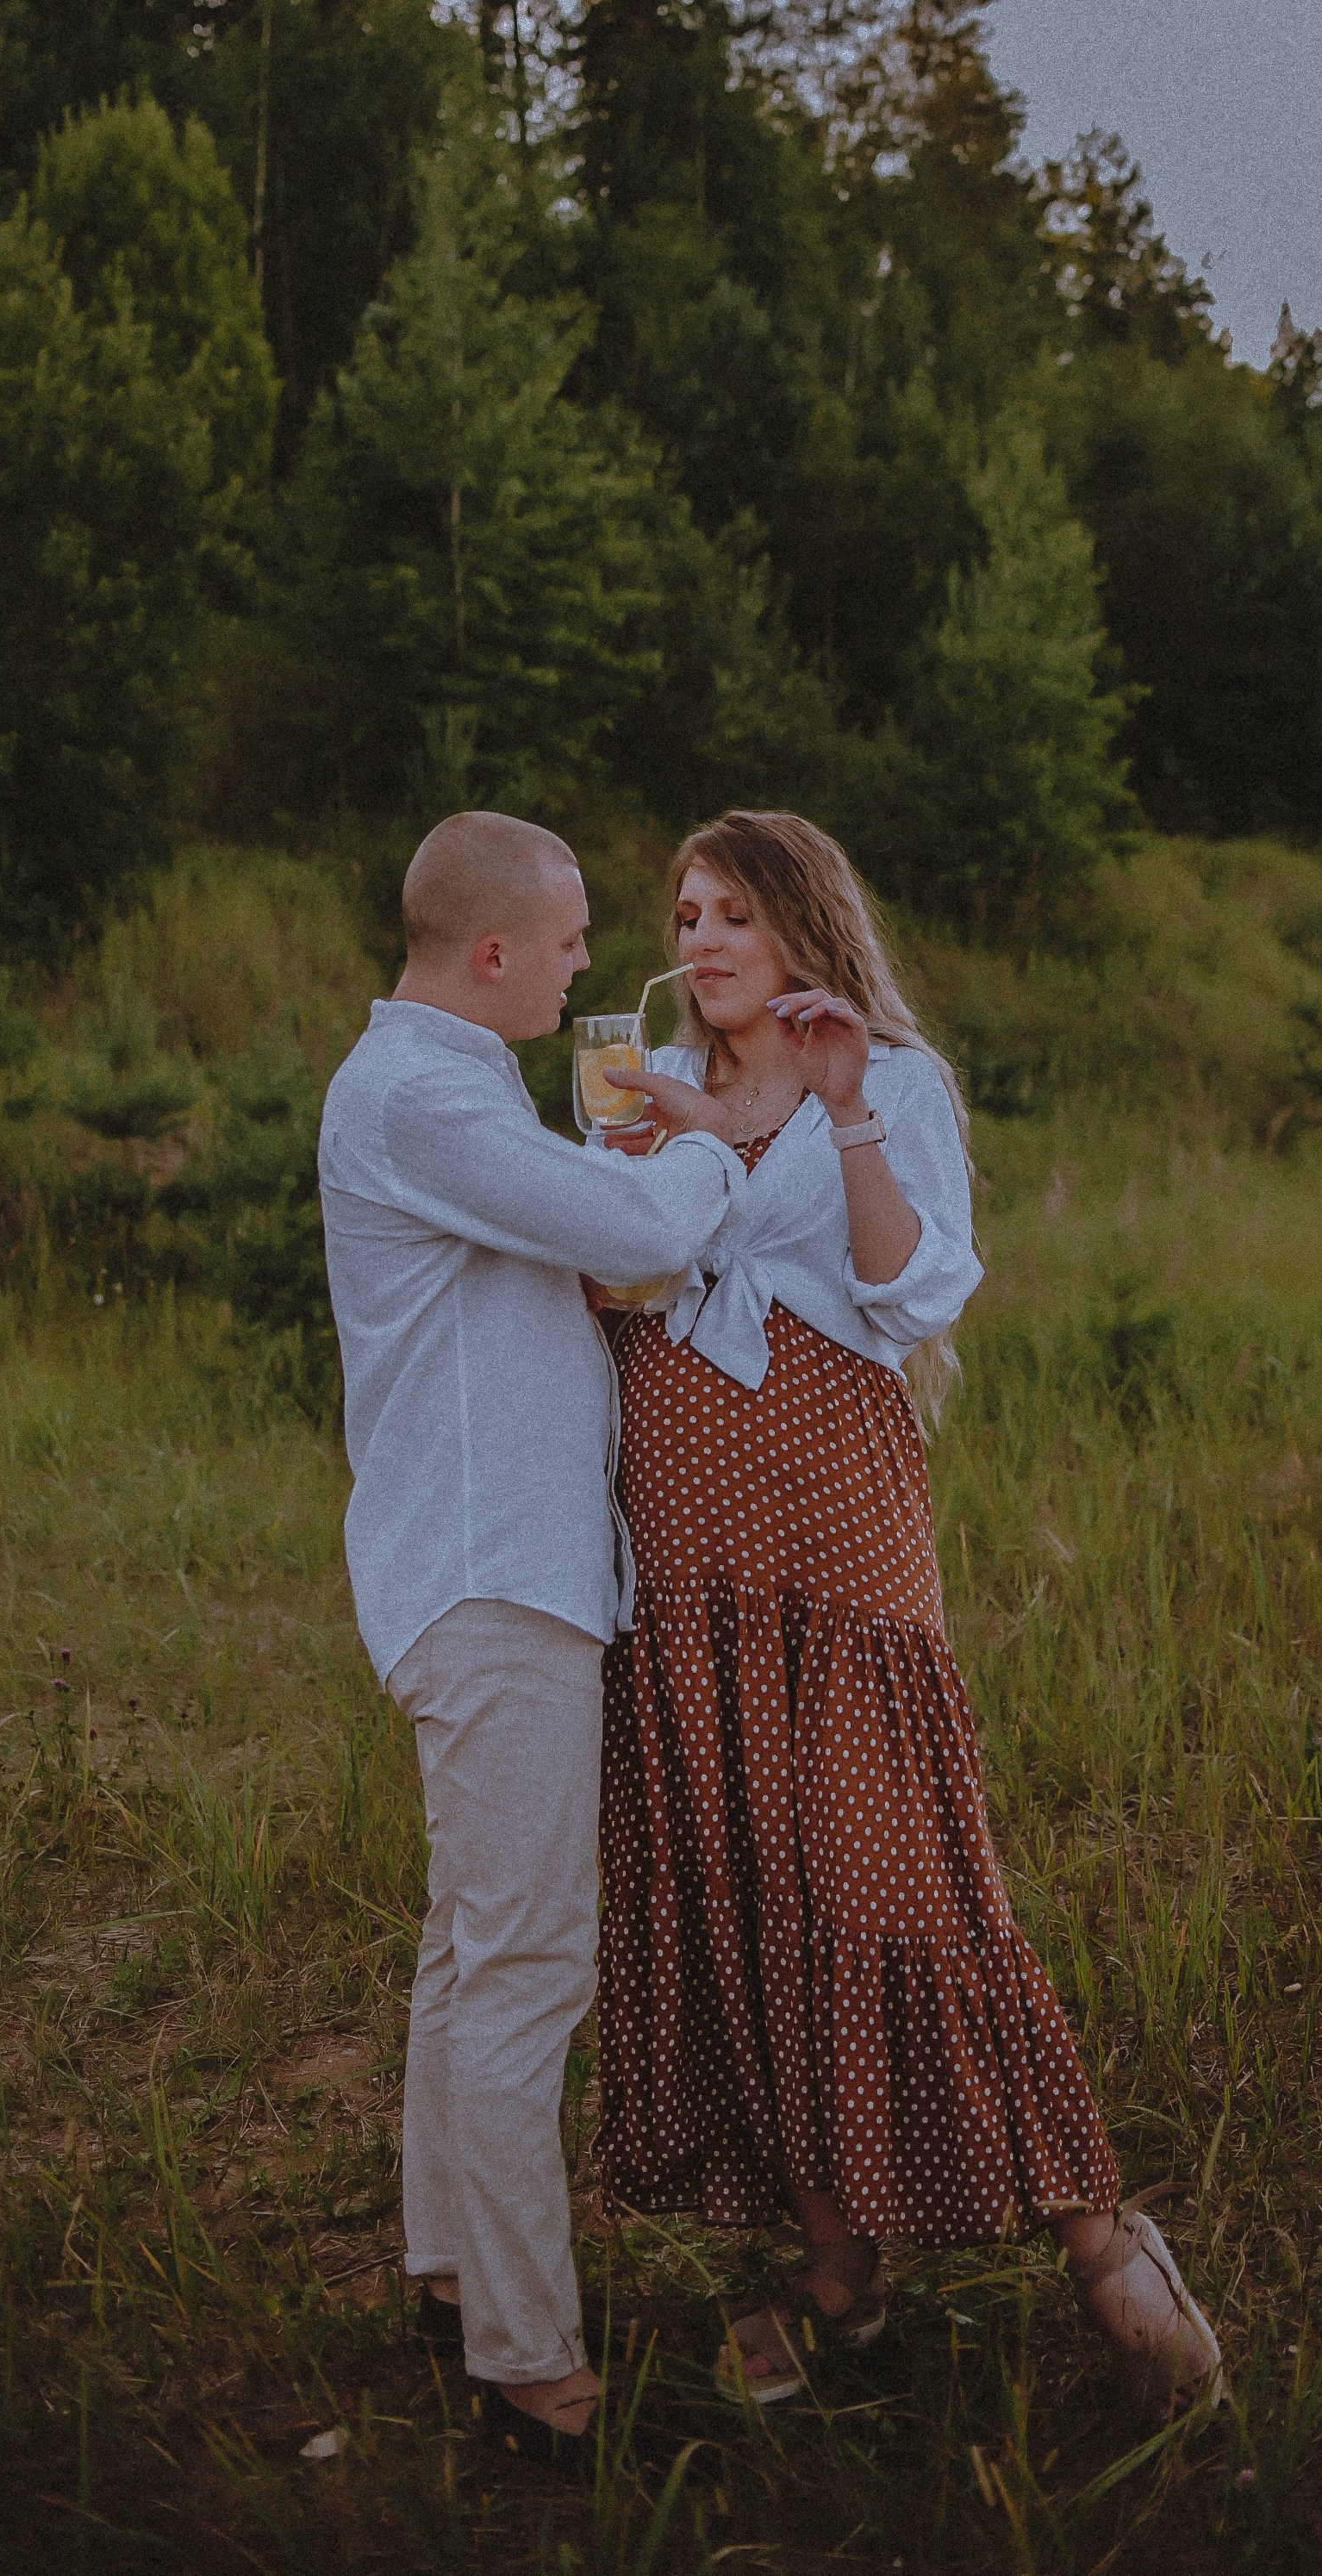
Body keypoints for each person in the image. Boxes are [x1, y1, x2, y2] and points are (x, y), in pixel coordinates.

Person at [592, 810, 1222, 2411]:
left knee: (901, 1879)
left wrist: (846, 1108)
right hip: (684, 1541)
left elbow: (913, 1287)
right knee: (749, 1883)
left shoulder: (889, 1079)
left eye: (735, 910)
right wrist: (635, 1165)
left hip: (836, 1526)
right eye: (686, 913)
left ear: (804, 923)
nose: (704, 937)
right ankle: (837, 2277)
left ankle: (1096, 2231)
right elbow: (606, 1291)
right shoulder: (639, 1086)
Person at [316, 811, 746, 2463]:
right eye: (567, 941)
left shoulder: (455, 1087)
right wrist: (720, 1139)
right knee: (527, 1967)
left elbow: (564, 1251)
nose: (587, 966)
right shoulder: (420, 1094)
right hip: (494, 1578)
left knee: (470, 1946)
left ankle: (451, 2274)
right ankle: (529, 2367)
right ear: (494, 952)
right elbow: (637, 1233)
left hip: (497, 1571)